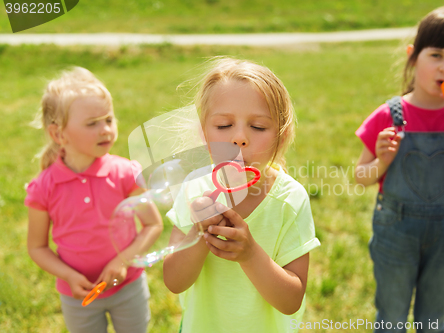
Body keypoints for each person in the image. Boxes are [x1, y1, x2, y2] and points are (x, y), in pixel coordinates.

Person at [355, 5, 444, 333]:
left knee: (433, 320)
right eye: (436, 54)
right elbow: (360, 177)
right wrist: (381, 161)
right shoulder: (388, 115)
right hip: (395, 233)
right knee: (391, 317)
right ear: (413, 56)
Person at [163, 57, 321, 333]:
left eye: (258, 127)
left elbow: (291, 300)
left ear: (280, 138)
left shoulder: (289, 200)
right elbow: (174, 282)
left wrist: (250, 254)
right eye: (224, 125)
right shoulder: (195, 190)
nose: (239, 138)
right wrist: (199, 234)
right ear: (204, 134)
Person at [25, 67, 162, 333]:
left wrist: (122, 260)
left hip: (128, 287)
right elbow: (37, 247)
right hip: (78, 295)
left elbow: (152, 225)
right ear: (58, 135)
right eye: (92, 123)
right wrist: (69, 276)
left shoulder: (124, 173)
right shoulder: (43, 188)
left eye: (109, 119)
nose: (106, 130)